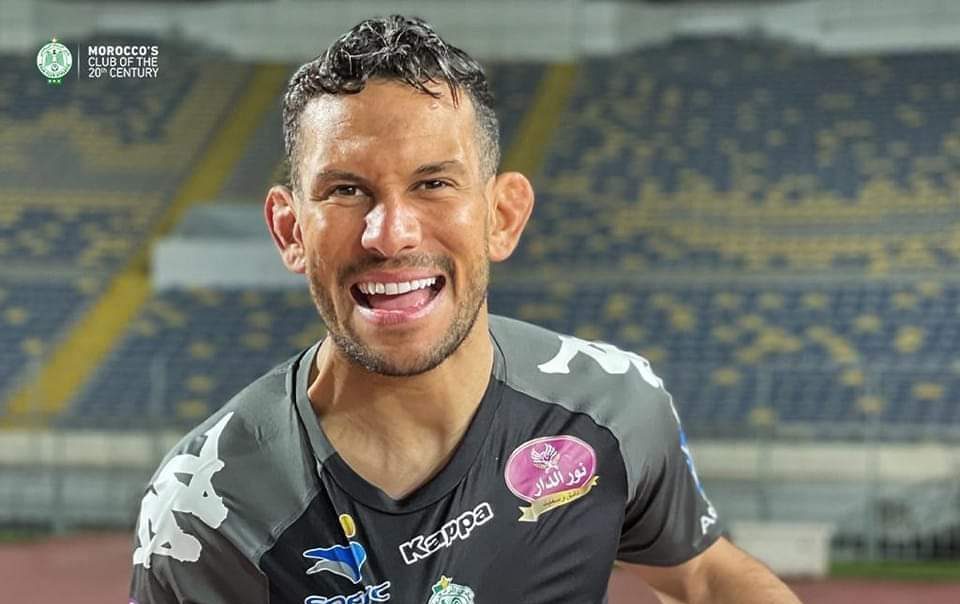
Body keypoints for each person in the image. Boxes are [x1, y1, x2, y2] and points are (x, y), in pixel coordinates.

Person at [130, 15, 801, 604]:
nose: (391, 234)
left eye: (433, 183)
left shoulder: (611, 406)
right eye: (346, 191)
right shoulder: (203, 510)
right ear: (290, 230)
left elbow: (704, 577)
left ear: (502, 216)